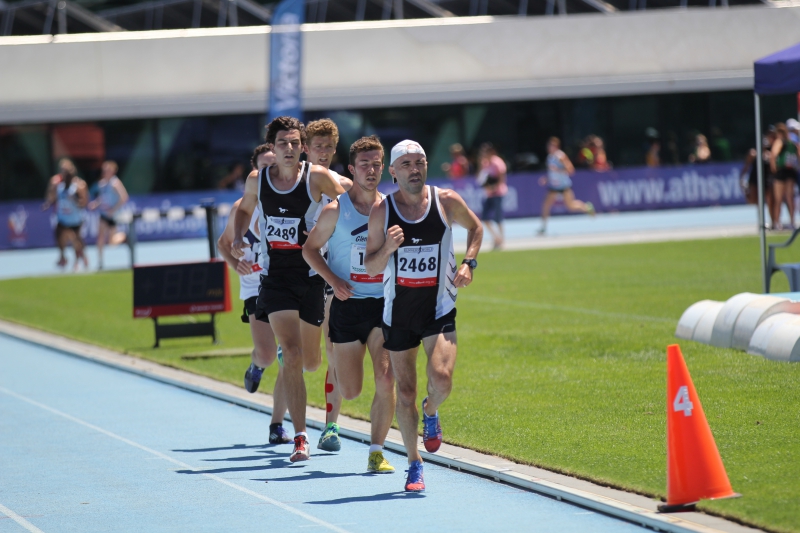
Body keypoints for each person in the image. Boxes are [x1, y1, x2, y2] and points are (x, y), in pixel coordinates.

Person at [365, 139, 483, 492]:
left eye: (420, 162)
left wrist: (469, 263)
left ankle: (430, 411)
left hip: (439, 309)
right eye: (406, 164)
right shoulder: (382, 212)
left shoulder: (446, 201)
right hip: (399, 314)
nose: (414, 169)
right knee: (405, 392)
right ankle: (414, 463)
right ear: (393, 172)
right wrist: (388, 247)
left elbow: (476, 228)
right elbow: (371, 267)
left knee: (442, 379)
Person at [231, 116, 345, 463]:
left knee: (311, 362)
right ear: (272, 147)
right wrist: (238, 237)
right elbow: (244, 210)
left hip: (312, 277)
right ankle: (300, 437)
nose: (290, 148)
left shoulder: (317, 178)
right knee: (292, 355)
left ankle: (290, 358)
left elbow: (351, 206)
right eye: (283, 143)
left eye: (296, 143)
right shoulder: (258, 180)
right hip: (276, 277)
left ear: (302, 147)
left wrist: (327, 227)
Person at [303, 135, 396, 473]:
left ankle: (376, 452)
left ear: (383, 168)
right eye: (364, 165)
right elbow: (309, 250)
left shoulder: (392, 208)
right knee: (352, 390)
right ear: (352, 170)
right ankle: (339, 387)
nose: (371, 170)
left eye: (376, 164)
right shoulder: (335, 211)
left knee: (386, 379)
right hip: (347, 304)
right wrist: (333, 280)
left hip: (382, 304)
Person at [217, 145, 293, 445]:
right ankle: (257, 364)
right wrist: (236, 262)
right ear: (254, 172)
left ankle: (277, 424)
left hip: (286, 284)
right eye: (263, 168)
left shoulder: (295, 199)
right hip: (254, 287)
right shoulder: (242, 208)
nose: (269, 173)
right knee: (267, 354)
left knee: (289, 356)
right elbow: (223, 243)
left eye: (274, 166)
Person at [303, 118, 354, 453]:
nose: (323, 152)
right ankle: (289, 350)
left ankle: (330, 427)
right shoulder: (295, 184)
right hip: (299, 276)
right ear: (306, 149)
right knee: (309, 361)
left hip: (332, 276)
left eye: (328, 147)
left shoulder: (347, 187)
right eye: (317, 146)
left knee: (334, 351)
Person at [537, 137, 594, 235]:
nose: (549, 147)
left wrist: (558, 170)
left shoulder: (560, 156)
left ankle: (587, 207)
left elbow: (571, 170)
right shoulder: (550, 158)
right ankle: (543, 227)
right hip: (554, 186)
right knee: (546, 205)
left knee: (570, 206)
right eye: (549, 146)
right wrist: (546, 179)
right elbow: (552, 173)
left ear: (556, 146)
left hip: (564, 185)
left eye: (551, 146)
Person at [43, 158, 89, 270]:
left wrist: (74, 199)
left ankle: (79, 259)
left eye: (65, 172)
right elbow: (52, 198)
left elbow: (84, 203)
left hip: (75, 219)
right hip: (62, 218)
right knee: (59, 237)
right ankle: (62, 257)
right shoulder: (58, 185)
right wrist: (47, 204)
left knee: (77, 241)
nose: (63, 174)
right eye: (62, 171)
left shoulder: (79, 185)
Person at [88, 160, 129, 270]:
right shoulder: (101, 184)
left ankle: (124, 237)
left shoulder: (115, 183)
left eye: (107, 170)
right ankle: (100, 262)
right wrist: (95, 204)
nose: (105, 172)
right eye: (104, 170)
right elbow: (102, 198)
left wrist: (113, 209)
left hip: (113, 216)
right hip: (103, 214)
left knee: (111, 242)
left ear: (113, 171)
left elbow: (124, 197)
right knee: (100, 237)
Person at [475, 143, 507, 250]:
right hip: (488, 194)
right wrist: (480, 164)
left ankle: (502, 239)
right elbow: (479, 178)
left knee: (498, 218)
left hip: (498, 193)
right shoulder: (484, 163)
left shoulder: (497, 162)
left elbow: (502, 177)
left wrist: (495, 187)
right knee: (485, 218)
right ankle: (497, 238)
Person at [770, 122, 799, 230]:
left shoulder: (780, 141)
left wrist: (774, 168)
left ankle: (777, 222)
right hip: (791, 171)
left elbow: (773, 154)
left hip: (781, 171)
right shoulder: (792, 143)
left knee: (778, 199)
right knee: (790, 198)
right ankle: (792, 221)